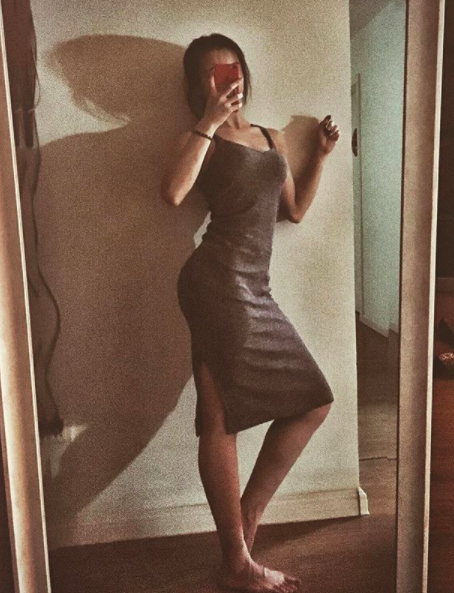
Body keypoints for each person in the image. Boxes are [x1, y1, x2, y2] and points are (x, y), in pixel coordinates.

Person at [161, 33, 340, 593]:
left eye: (234, 68)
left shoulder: (270, 137)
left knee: (312, 401)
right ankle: (237, 557)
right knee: (219, 418)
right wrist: (209, 121)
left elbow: (294, 211)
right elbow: (172, 193)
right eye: (214, 74)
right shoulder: (202, 137)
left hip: (252, 288)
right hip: (216, 283)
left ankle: (240, 532)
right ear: (198, 85)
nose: (229, 80)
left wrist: (320, 156)